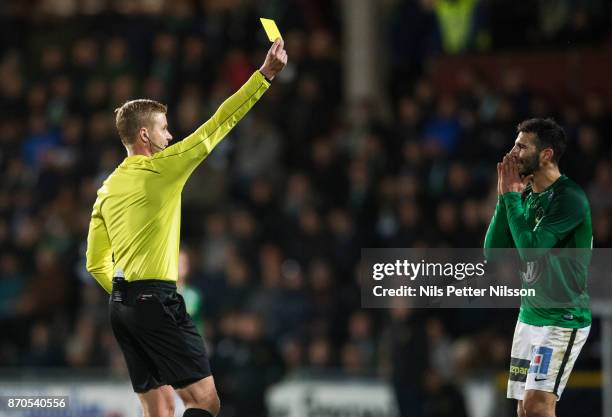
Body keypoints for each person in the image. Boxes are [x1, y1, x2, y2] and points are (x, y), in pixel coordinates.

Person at [85, 39, 287, 417]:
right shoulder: (164, 166)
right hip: (156, 300)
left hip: (121, 307)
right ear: (144, 135)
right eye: (163, 128)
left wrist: (124, 295)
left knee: (159, 410)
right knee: (205, 402)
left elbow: (95, 263)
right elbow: (219, 124)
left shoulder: (107, 187)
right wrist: (264, 77)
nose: (171, 136)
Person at [484, 118, 592, 417]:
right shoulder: (527, 197)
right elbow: (492, 254)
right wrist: (504, 200)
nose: (513, 152)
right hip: (529, 315)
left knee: (538, 405)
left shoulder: (569, 197)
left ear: (545, 154)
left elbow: (531, 251)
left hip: (561, 318)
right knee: (524, 409)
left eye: (521, 146)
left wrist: (511, 199)